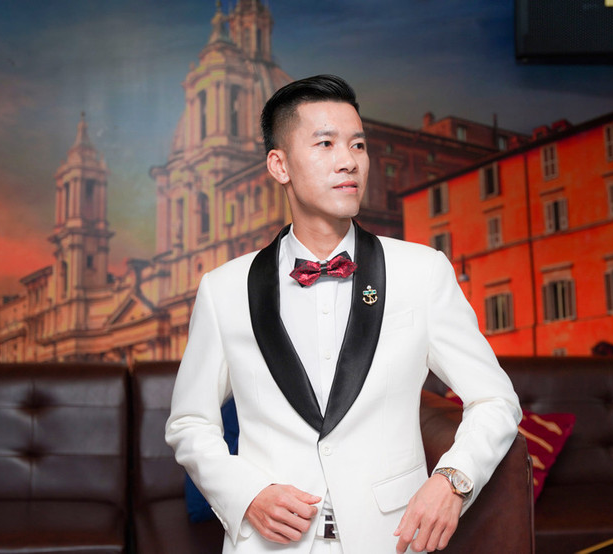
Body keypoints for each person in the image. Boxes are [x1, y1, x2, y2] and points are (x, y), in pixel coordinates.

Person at [165, 74, 521, 554]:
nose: (349, 160)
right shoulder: (223, 289)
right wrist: (245, 494)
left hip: (394, 540)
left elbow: (496, 400)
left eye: (358, 144)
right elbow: (189, 422)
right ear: (279, 165)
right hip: (269, 545)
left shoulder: (422, 272)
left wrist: (453, 480)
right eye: (325, 143)